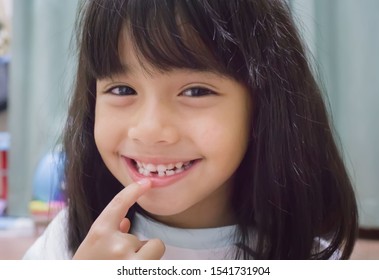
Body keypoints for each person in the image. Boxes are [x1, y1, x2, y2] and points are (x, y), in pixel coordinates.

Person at [23, 0, 358, 260]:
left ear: (262, 106)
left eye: (195, 91)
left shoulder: (309, 258)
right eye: (123, 90)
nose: (150, 130)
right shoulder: (69, 244)